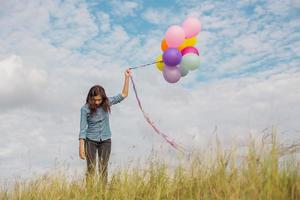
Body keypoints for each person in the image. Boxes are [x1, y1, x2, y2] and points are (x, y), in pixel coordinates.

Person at [78, 68, 131, 185]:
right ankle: (90, 193)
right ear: (90, 98)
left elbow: (124, 95)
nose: (97, 102)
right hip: (90, 141)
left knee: (103, 169)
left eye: (99, 100)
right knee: (91, 169)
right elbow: (82, 129)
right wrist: (81, 147)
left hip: (106, 140)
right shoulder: (84, 109)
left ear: (103, 98)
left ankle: (102, 194)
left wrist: (126, 78)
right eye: (94, 100)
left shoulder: (107, 103)